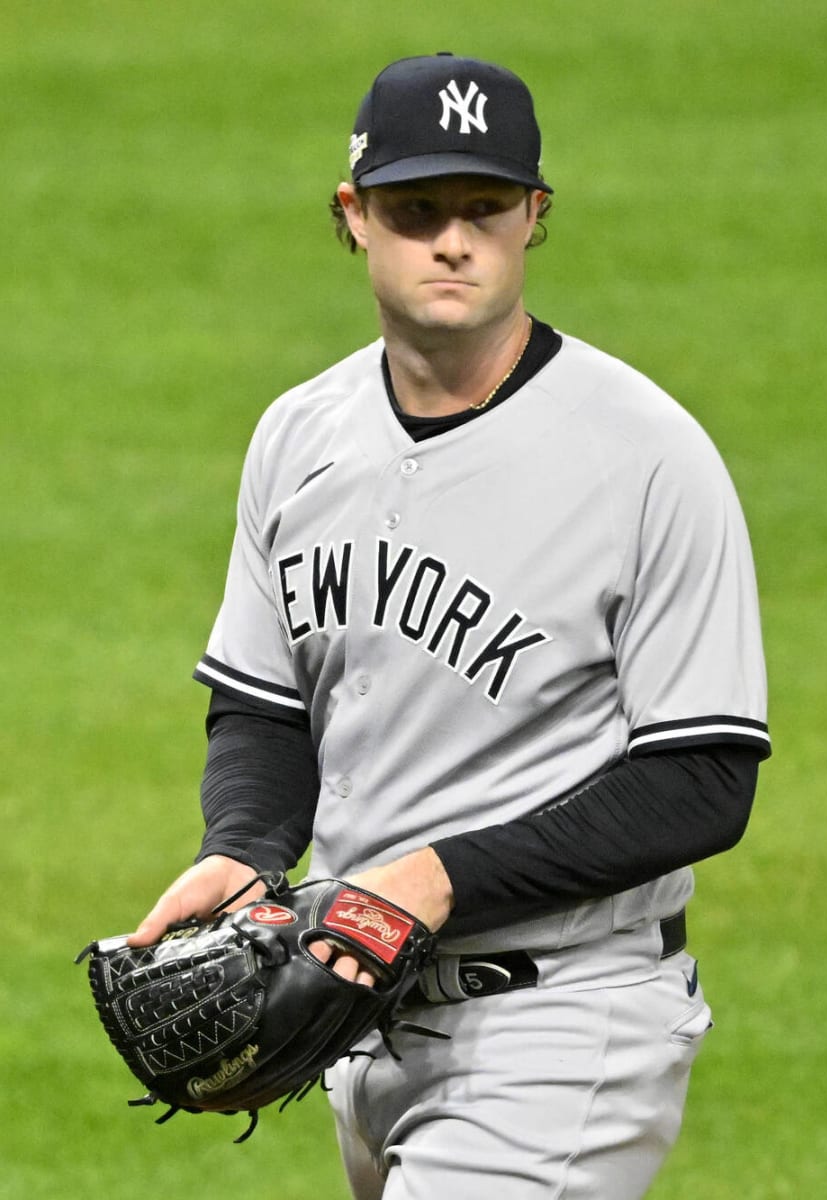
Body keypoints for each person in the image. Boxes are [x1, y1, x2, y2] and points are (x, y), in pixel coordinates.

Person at [129, 52, 770, 1199]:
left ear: (536, 215)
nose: (453, 240)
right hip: (359, 1022)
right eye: (415, 210)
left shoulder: (647, 455)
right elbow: (265, 709)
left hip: (564, 1026)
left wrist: (430, 880)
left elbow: (702, 778)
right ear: (353, 219)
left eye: (483, 207)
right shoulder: (297, 435)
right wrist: (244, 851)